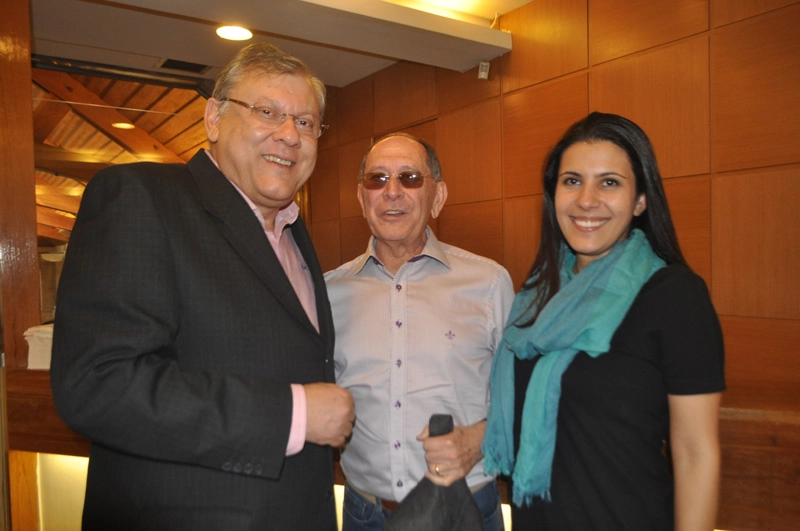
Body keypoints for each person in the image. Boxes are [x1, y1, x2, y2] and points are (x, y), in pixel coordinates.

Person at [50, 42, 355, 530]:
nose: (289, 135)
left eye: (305, 122)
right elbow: (98, 384)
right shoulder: (141, 198)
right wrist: (294, 413)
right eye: (267, 111)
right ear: (214, 118)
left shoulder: (295, 233)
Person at [483, 112, 725, 530]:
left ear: (640, 200)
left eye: (609, 182)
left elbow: (695, 451)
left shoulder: (675, 295)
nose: (586, 199)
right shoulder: (538, 296)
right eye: (571, 180)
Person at [325, 132, 515, 531]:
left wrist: (480, 439)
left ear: (438, 197)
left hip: (463, 510)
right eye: (377, 179)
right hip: (365, 514)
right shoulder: (327, 294)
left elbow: (525, 398)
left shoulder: (489, 283)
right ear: (363, 199)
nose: (392, 192)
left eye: (410, 178)